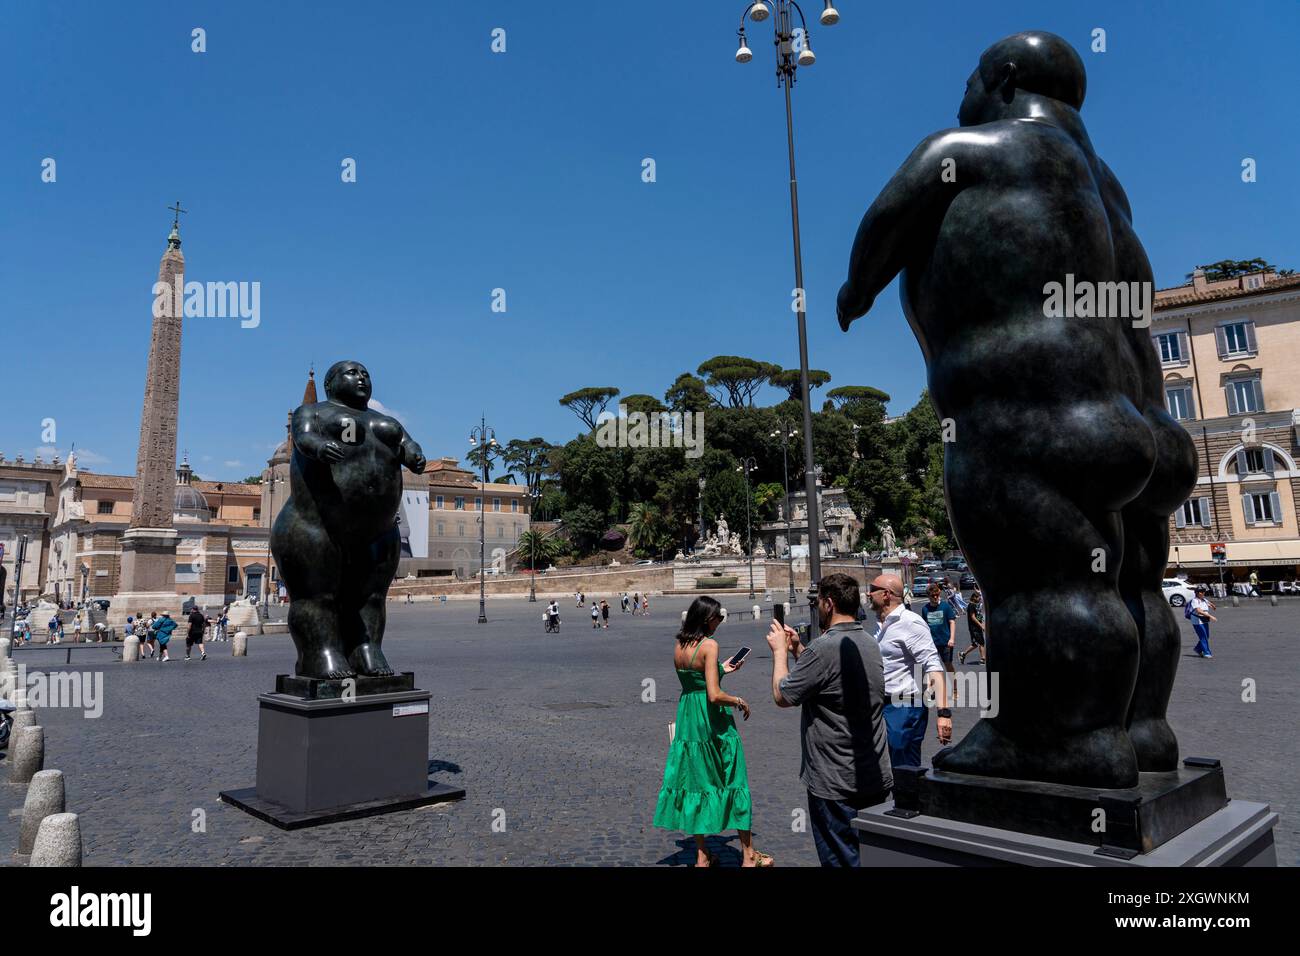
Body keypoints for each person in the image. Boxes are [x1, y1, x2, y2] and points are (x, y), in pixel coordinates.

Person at [765, 573, 893, 867]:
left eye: (819, 601)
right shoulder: (869, 642)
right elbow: (829, 681)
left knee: (842, 859)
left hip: (835, 779)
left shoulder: (824, 647)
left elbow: (783, 695)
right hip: (873, 773)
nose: (818, 607)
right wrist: (800, 650)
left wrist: (780, 653)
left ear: (829, 603)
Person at [654, 596, 769, 867]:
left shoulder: (680, 645)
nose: (721, 621)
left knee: (696, 780)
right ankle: (749, 855)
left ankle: (702, 854)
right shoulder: (710, 645)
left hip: (688, 717)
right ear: (708, 619)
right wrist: (738, 700)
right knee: (733, 777)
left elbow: (695, 681)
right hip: (710, 718)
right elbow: (715, 695)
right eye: (719, 617)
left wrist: (721, 669)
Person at [867, 574, 951, 770]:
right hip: (883, 704)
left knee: (905, 766)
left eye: (873, 589)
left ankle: (910, 800)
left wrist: (944, 713)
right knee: (887, 764)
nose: (868, 593)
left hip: (906, 706)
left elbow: (933, 666)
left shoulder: (910, 623)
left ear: (886, 594)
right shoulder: (880, 623)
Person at [921, 583, 958, 694]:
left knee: (948, 665)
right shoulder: (925, 609)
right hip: (931, 643)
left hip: (946, 642)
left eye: (937, 595)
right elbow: (924, 626)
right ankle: (933, 689)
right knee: (932, 667)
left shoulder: (945, 606)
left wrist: (951, 638)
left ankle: (955, 689)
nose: (936, 597)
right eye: (933, 596)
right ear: (929, 596)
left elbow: (952, 622)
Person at [959, 587, 987, 665]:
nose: (980, 599)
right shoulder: (971, 605)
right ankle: (983, 659)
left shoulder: (976, 605)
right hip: (974, 627)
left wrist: (983, 622)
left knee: (976, 644)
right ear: (974, 597)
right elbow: (973, 617)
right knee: (981, 643)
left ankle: (963, 654)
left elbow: (979, 616)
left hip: (978, 627)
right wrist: (981, 625)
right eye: (978, 598)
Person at [1188, 586, 1216, 659]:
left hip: (1204, 619)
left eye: (1203, 591)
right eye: (1201, 591)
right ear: (1197, 593)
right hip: (1197, 621)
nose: (1203, 593)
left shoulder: (1204, 599)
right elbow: (1199, 611)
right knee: (1203, 636)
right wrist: (1210, 616)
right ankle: (1206, 652)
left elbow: (1209, 604)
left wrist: (1212, 606)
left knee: (1206, 636)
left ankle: (1198, 649)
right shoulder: (1195, 600)